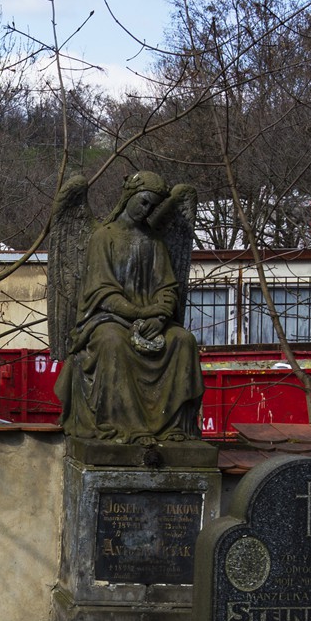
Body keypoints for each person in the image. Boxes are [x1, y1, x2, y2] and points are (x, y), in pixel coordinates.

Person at [56, 171, 205, 443]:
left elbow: (168, 288)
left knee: (184, 341)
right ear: (129, 196)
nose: (146, 209)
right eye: (144, 201)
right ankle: (128, 428)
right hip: (107, 320)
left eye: (152, 206)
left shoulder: (155, 242)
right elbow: (102, 293)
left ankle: (174, 427)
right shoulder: (103, 237)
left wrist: (160, 318)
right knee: (112, 342)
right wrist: (140, 313)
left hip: (152, 320)